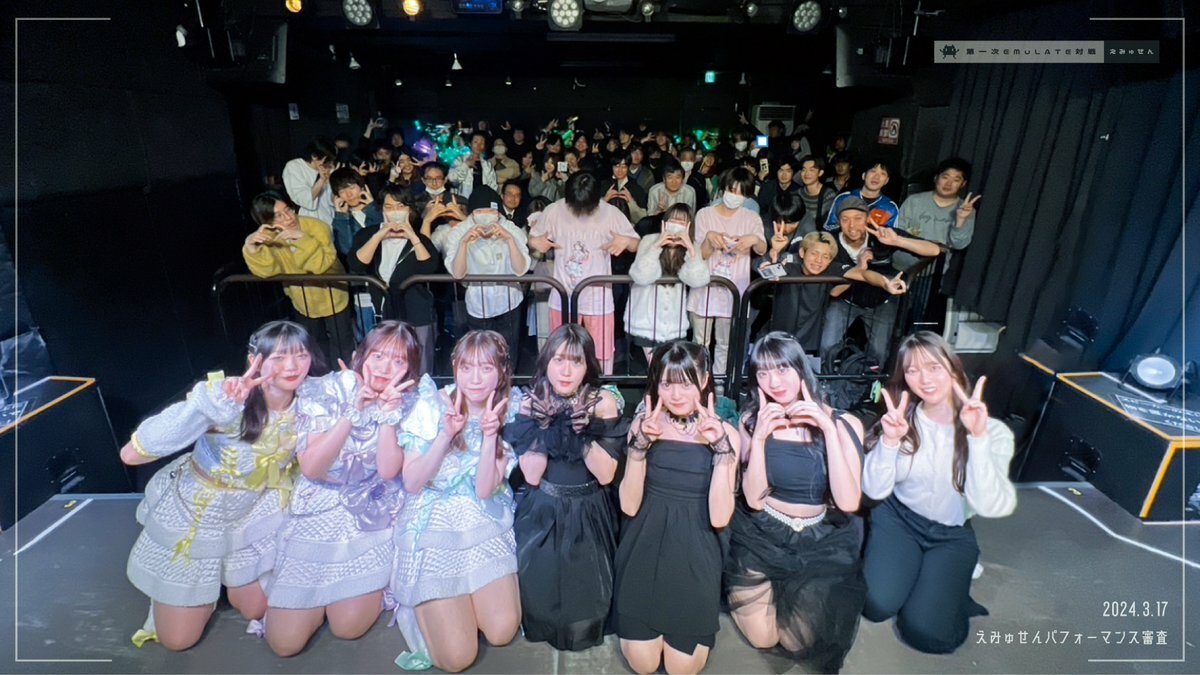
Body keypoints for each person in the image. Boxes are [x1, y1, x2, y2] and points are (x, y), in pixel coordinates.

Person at [122, 321, 321, 651]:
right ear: (254, 360)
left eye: (301, 355)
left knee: (257, 608)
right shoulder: (228, 400)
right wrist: (209, 407)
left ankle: (224, 582)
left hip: (251, 513)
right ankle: (191, 592)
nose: (292, 366)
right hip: (197, 516)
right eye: (279, 357)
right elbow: (131, 454)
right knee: (178, 641)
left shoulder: (312, 401)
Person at [265, 321, 435, 657]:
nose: (385, 368)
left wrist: (387, 417)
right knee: (285, 643)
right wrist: (353, 412)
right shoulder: (326, 389)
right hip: (319, 506)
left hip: (371, 511)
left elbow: (388, 471)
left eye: (398, 361)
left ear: (410, 368)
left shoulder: (411, 401)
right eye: (378, 356)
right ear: (361, 355)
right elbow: (312, 467)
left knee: (348, 627)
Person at [861, 331, 1017, 654]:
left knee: (927, 633)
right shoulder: (902, 421)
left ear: (953, 368)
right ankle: (919, 579)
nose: (924, 379)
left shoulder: (993, 432)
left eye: (933, 367)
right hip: (899, 520)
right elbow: (874, 490)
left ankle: (950, 585)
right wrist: (889, 441)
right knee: (875, 605)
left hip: (951, 533)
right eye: (912, 370)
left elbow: (988, 505)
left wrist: (978, 438)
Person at [725, 332, 867, 673]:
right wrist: (760, 436)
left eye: (782, 369)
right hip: (762, 535)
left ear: (801, 368)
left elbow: (848, 502)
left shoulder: (845, 423)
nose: (774, 382)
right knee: (763, 638)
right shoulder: (751, 420)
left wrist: (827, 430)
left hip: (820, 541)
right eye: (763, 373)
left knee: (796, 642)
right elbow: (753, 499)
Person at [390, 331, 523, 673]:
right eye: (466, 367)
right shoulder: (431, 404)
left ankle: (466, 607)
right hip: (434, 519)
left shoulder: (511, 408)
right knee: (457, 658)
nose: (475, 379)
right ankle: (444, 611)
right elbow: (413, 482)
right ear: (455, 368)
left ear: (502, 372)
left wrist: (490, 435)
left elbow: (484, 490)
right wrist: (445, 436)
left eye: (486, 368)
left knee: (502, 631)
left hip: (483, 517)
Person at [615, 341, 739, 675]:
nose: (676, 394)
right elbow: (628, 506)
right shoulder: (643, 425)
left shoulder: (726, 433)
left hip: (695, 550)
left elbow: (720, 518)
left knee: (681, 667)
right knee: (643, 664)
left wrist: (721, 449)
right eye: (667, 384)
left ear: (704, 380)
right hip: (644, 545)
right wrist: (640, 446)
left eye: (686, 383)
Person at [502, 325, 628, 650]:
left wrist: (580, 432)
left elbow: (606, 475)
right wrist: (546, 426)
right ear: (547, 362)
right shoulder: (531, 403)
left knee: (587, 601)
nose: (566, 370)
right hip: (544, 508)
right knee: (541, 594)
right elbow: (532, 476)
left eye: (576, 361)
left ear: (588, 366)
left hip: (590, 507)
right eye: (558, 360)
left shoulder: (603, 403)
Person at [528, 172, 641, 375]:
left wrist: (626, 242)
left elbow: (636, 243)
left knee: (601, 352)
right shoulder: (554, 211)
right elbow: (533, 238)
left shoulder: (610, 213)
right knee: (561, 350)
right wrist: (537, 243)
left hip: (598, 299)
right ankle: (562, 387)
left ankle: (602, 387)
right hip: (563, 296)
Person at [819, 196, 938, 367]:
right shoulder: (832, 241)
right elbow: (834, 288)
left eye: (858, 218)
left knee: (880, 352)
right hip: (845, 301)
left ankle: (872, 382)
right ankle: (825, 379)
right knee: (827, 345)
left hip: (881, 301)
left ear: (868, 219)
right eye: (845, 220)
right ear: (838, 222)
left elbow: (933, 250)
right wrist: (860, 267)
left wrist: (897, 240)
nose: (852, 226)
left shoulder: (881, 234)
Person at [243, 191, 355, 365]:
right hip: (302, 300)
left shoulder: (317, 227)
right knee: (311, 347)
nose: (288, 218)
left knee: (342, 345)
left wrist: (302, 239)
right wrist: (252, 248)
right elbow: (267, 271)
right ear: (266, 221)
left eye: (288, 210)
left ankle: (346, 378)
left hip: (334, 294)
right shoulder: (270, 237)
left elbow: (320, 265)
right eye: (278, 216)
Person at [349, 186, 441, 376]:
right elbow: (357, 265)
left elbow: (429, 267)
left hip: (417, 311)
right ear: (382, 209)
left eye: (400, 206)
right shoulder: (367, 234)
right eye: (389, 207)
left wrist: (412, 236)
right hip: (384, 310)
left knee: (420, 363)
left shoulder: (419, 238)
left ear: (409, 210)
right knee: (388, 360)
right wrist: (379, 235)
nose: (395, 212)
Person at [687, 167, 767, 382]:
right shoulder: (705, 214)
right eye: (732, 190)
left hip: (734, 291)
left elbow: (761, 249)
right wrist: (709, 238)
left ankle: (720, 385)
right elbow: (702, 254)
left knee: (725, 344)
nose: (735, 196)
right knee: (700, 342)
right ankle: (698, 383)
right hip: (704, 289)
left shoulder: (751, 218)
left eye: (741, 193)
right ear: (723, 189)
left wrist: (754, 239)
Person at [442, 202, 531, 353]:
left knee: (508, 351)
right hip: (478, 304)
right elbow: (457, 273)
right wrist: (464, 243)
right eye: (480, 210)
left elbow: (520, 269)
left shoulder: (511, 229)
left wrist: (509, 239)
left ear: (498, 212)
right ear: (472, 213)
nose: (486, 215)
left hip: (509, 301)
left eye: (490, 211)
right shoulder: (458, 232)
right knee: (482, 352)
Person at [625, 204, 709, 362]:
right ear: (665, 222)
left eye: (682, 222)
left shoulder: (692, 247)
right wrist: (657, 245)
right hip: (646, 320)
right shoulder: (649, 240)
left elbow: (698, 280)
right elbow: (641, 276)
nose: (676, 225)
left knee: (668, 367)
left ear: (689, 226)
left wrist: (690, 249)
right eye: (673, 220)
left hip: (673, 323)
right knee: (654, 366)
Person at [892, 157, 980, 273]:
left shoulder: (966, 210)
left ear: (963, 184)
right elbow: (898, 232)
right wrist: (931, 244)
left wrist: (960, 221)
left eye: (956, 180)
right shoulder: (914, 201)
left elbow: (959, 245)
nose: (948, 183)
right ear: (936, 178)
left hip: (934, 271)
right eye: (945, 177)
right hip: (899, 266)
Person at [824, 160, 900, 231]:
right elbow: (829, 227)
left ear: (886, 181)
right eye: (873, 171)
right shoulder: (843, 198)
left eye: (883, 173)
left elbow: (892, 235)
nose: (876, 177)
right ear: (863, 176)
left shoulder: (890, 207)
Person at [282, 137, 337, 227]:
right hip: (308, 220)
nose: (328, 163)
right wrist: (321, 180)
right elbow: (303, 198)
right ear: (314, 156)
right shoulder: (294, 166)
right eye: (326, 160)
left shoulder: (329, 168)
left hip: (329, 218)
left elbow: (332, 199)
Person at [330, 167, 382, 259]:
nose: (349, 194)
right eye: (342, 191)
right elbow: (347, 250)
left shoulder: (380, 209)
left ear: (362, 187)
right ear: (337, 196)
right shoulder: (341, 221)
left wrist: (372, 208)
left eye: (352, 188)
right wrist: (342, 217)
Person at [448, 131, 499, 201]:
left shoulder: (487, 165)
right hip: (464, 201)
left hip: (483, 201)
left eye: (482, 143)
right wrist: (466, 165)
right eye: (476, 142)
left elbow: (493, 186)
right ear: (470, 144)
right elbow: (452, 179)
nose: (479, 145)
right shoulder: (460, 160)